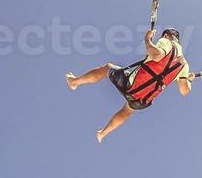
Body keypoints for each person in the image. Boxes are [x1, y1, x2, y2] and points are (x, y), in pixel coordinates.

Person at [66, 28, 194, 142]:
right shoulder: (184, 65)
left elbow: (156, 55)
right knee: (127, 110)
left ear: (166, 35)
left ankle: (75, 82)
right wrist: (189, 80)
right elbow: (184, 90)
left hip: (130, 84)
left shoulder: (167, 42)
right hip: (143, 100)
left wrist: (147, 39)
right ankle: (102, 133)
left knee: (107, 68)